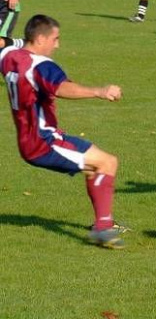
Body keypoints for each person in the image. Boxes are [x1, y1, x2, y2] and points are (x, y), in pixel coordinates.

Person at [0, 15, 126, 249]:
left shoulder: (9, 58)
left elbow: (4, 45)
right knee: (108, 162)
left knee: (94, 166)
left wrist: (13, 42)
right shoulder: (42, 66)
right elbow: (61, 88)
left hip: (29, 140)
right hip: (44, 142)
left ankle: (102, 222)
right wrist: (100, 91)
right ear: (40, 39)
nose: (57, 45)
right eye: (55, 39)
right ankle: (103, 230)